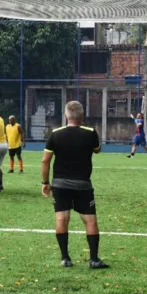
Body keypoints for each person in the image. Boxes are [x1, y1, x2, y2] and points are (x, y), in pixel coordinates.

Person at [41, 101, 107, 269]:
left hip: (59, 184)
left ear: (66, 115)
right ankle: (93, 259)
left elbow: (45, 160)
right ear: (82, 116)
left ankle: (65, 258)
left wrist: (45, 183)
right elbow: (97, 150)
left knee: (62, 218)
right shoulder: (90, 133)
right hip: (83, 184)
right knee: (90, 220)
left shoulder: (55, 134)